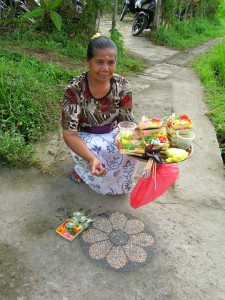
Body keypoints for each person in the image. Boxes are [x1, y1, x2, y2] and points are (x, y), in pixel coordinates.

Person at [61, 34, 138, 195]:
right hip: (84, 136)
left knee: (132, 148)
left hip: (112, 131)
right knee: (99, 150)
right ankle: (83, 168)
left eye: (111, 62)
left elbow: (126, 122)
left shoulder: (122, 86)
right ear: (88, 60)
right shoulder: (75, 89)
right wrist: (91, 158)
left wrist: (122, 139)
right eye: (99, 62)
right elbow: (70, 134)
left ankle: (116, 179)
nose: (106, 69)